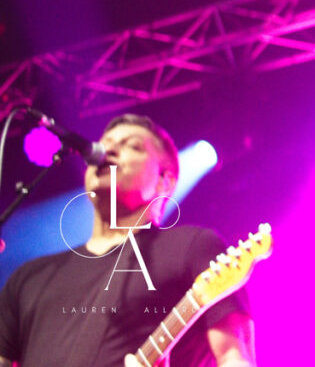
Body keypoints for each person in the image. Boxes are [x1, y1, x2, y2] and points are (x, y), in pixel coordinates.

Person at [0, 114, 256, 367]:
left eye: (132, 146)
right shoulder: (30, 277)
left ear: (164, 182)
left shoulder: (194, 247)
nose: (108, 150)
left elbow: (235, 359)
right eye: (104, 144)